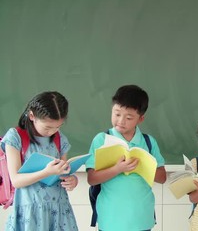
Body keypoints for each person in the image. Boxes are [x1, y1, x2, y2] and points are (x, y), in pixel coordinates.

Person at [85, 85, 166, 231]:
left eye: (129, 117)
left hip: (142, 219)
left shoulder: (148, 142)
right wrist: (117, 169)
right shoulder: (101, 139)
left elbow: (162, 177)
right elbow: (92, 179)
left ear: (141, 119)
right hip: (111, 220)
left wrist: (142, 166)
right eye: (116, 114)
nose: (121, 121)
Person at [1, 91, 78, 231]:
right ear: (32, 116)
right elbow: (16, 180)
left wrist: (72, 180)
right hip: (30, 211)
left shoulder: (60, 139)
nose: (52, 131)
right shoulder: (15, 137)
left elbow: (63, 173)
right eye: (47, 127)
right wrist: (46, 172)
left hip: (59, 211)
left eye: (58, 127)